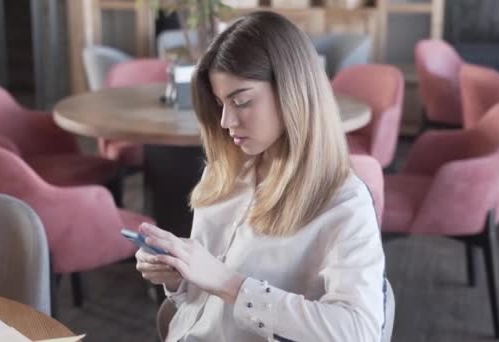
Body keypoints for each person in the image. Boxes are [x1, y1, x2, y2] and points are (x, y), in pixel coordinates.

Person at [135, 10, 391, 342]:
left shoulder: (344, 202)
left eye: (241, 101)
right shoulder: (222, 173)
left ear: (292, 93)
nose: (226, 121)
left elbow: (360, 331)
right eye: (219, 103)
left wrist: (230, 284)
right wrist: (179, 277)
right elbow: (202, 304)